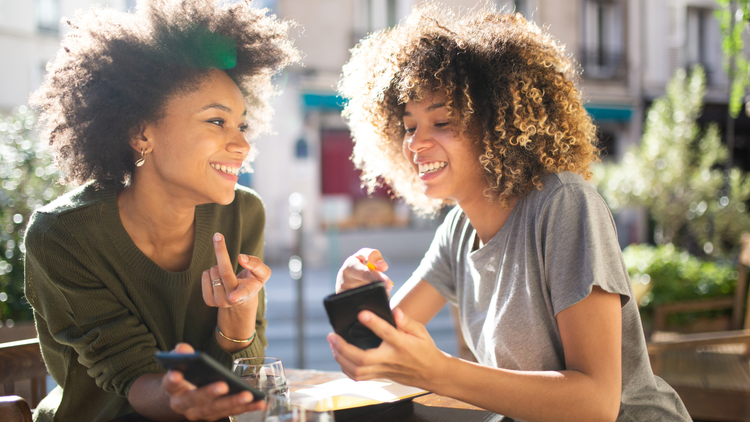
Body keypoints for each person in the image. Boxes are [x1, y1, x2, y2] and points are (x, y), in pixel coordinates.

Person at [330, 3, 691, 421]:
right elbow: (379, 349)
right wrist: (353, 299)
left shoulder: (563, 205)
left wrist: (440, 371)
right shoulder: (457, 233)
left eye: (442, 121)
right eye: (410, 126)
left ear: (497, 124)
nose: (415, 143)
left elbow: (597, 403)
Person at [23, 1, 298, 421]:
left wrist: (238, 328)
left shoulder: (243, 213)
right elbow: (132, 378)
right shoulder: (63, 235)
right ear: (140, 132)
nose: (242, 146)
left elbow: (240, 383)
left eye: (241, 124)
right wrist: (184, 397)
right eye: (216, 122)